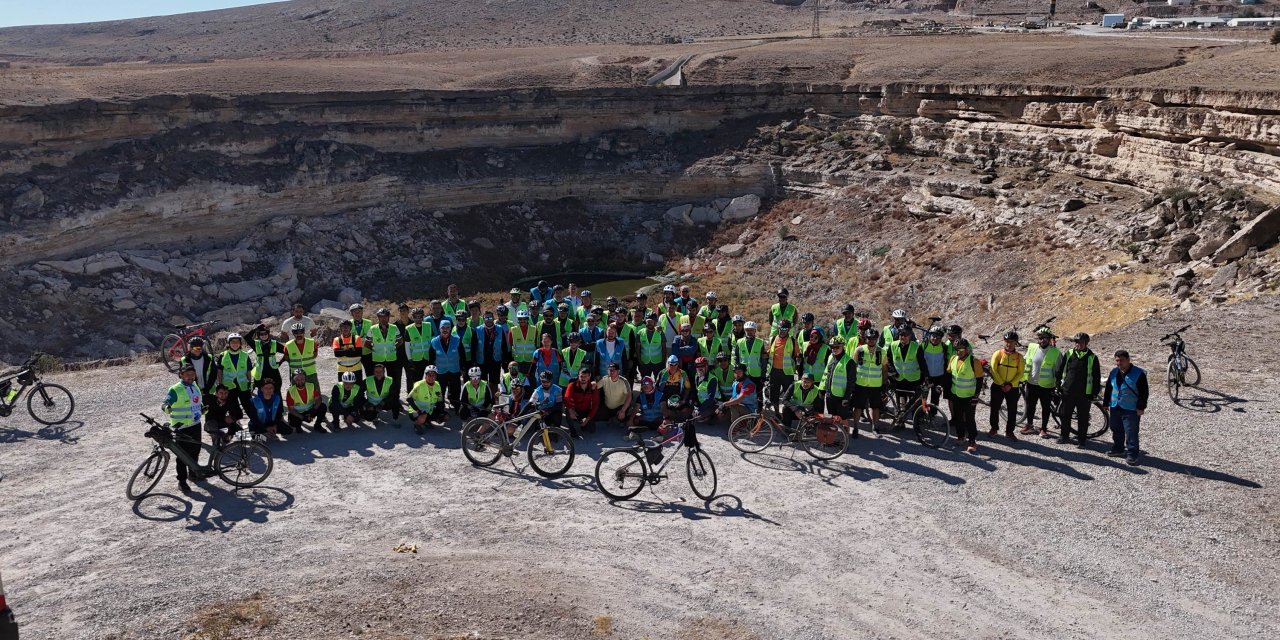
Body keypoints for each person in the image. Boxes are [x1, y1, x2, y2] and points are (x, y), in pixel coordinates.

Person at [162, 364, 205, 493]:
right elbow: (166, 402)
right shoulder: (175, 389)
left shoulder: (195, 385)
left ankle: (193, 473)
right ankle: (182, 481)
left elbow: (196, 403)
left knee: (195, 451)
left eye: (192, 375)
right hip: (181, 427)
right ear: (181, 375)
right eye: (187, 375)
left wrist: (202, 409)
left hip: (195, 424)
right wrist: (166, 407)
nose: (190, 377)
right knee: (182, 456)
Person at [1054, 332, 1101, 447]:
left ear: (1086, 343)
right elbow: (1061, 369)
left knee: (1083, 418)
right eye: (1076, 342)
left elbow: (1096, 376)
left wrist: (1094, 393)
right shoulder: (1069, 353)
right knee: (1065, 415)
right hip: (1068, 390)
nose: (1078, 344)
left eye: (1081, 342)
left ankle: (1082, 440)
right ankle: (1064, 436)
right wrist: (1058, 383)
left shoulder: (1092, 357)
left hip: (1084, 393)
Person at [1103, 350, 1148, 465]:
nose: (1119, 363)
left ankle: (1132, 454)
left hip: (1131, 408)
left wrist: (1141, 407)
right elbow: (1109, 388)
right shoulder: (1114, 372)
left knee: (1131, 432)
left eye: (1122, 360)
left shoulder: (1139, 373)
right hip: (1115, 406)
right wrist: (1106, 403)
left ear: (1128, 360)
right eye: (1117, 360)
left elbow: (1144, 392)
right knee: (1115, 428)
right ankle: (1118, 449)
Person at [1021, 327, 1061, 438]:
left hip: (1047, 386)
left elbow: (1059, 371)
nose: (1043, 340)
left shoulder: (1055, 353)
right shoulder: (1032, 347)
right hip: (1031, 383)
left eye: (1045, 338)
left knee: (1045, 408)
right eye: (1040, 337)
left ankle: (1043, 429)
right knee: (1030, 406)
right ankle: (1029, 425)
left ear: (1049, 339)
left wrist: (1058, 386)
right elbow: (1025, 361)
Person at [887, 326, 928, 431]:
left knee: (915, 403)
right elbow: (889, 359)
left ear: (910, 335)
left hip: (913, 380)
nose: (903, 337)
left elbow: (922, 363)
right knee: (901, 403)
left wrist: (926, 378)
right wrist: (893, 371)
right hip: (899, 379)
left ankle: (916, 423)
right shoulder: (893, 345)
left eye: (906, 335)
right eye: (901, 334)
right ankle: (900, 422)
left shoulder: (916, 347)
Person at [988, 331, 1025, 440]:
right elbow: (993, 369)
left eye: (1012, 342)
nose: (1009, 344)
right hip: (998, 385)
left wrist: (1010, 384)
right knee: (994, 408)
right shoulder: (998, 354)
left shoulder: (1019, 357)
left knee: (1012, 410)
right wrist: (1002, 383)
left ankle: (1010, 431)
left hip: (1012, 387)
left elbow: (1020, 373)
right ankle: (994, 428)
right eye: (1007, 341)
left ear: (1016, 343)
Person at [947, 339, 983, 453]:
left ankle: (972, 441)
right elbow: (949, 374)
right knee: (958, 417)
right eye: (956, 349)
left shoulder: (974, 361)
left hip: (969, 396)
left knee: (969, 419)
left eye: (961, 349)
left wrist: (976, 396)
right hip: (956, 394)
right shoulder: (953, 358)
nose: (959, 351)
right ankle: (960, 436)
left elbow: (979, 380)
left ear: (967, 349)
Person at [851, 327, 887, 433]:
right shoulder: (859, 350)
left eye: (873, 338)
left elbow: (884, 369)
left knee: (875, 407)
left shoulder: (882, 352)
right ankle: (855, 428)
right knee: (858, 407)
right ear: (865, 338)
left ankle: (875, 427)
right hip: (860, 384)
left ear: (877, 339)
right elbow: (853, 367)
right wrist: (852, 383)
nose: (871, 340)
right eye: (869, 338)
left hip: (875, 385)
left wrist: (884, 384)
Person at [216, 332, 255, 418]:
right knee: (233, 408)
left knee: (249, 406)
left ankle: (254, 423)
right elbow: (219, 370)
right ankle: (235, 423)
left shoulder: (245, 355)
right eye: (232, 342)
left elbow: (248, 371)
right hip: (229, 386)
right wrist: (220, 383)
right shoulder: (223, 355)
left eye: (237, 342)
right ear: (229, 343)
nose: (235, 344)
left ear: (240, 343)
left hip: (243, 385)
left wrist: (250, 382)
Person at [766, 319, 801, 414]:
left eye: (785, 329)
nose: (782, 331)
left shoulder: (793, 341)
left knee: (787, 397)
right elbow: (768, 353)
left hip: (787, 373)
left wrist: (798, 369)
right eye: (781, 328)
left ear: (788, 330)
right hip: (774, 372)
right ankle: (776, 414)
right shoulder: (773, 339)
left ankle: (786, 415)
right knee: (773, 396)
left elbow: (798, 357)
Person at [429, 320, 464, 410]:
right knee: (440, 389)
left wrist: (462, 368)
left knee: (455, 388)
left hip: (454, 369)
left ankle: (454, 404)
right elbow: (431, 358)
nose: (445, 330)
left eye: (447, 327)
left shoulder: (457, 339)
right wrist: (432, 371)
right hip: (440, 370)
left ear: (450, 328)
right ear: (439, 329)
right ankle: (440, 405)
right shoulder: (434, 341)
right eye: (443, 328)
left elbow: (462, 354)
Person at [368, 308, 403, 395]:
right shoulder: (372, 328)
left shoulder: (394, 328)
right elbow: (367, 343)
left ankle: (394, 397)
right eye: (381, 317)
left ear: (388, 317)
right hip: (377, 359)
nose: (383, 319)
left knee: (393, 379)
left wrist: (394, 347)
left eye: (385, 317)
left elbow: (400, 341)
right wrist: (374, 349)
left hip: (391, 358)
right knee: (378, 379)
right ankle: (378, 396)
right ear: (378, 317)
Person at [474, 310, 509, 390]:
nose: (488, 320)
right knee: (483, 383)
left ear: (493, 318)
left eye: (490, 318)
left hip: (495, 360)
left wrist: (505, 360)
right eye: (486, 318)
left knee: (494, 383)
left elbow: (504, 345)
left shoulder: (499, 329)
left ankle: (493, 397)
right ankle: (485, 397)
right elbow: (474, 347)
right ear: (483, 319)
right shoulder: (478, 330)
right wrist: (474, 362)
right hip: (482, 361)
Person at [733, 320, 767, 406]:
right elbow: (736, 358)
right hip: (744, 374)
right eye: (747, 330)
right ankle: (746, 411)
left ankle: (759, 411)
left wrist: (763, 375)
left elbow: (763, 360)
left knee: (758, 394)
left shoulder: (760, 342)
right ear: (744, 331)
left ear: (755, 331)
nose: (749, 332)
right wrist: (737, 372)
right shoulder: (739, 342)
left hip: (756, 374)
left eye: (751, 330)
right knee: (743, 394)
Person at [179, 336, 218, 405]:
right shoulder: (184, 360)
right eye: (196, 348)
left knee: (211, 409)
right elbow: (182, 377)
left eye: (200, 348)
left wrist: (207, 389)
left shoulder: (209, 358)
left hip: (209, 390)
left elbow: (213, 374)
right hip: (193, 391)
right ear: (190, 348)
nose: (198, 350)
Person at [407, 366, 447, 434]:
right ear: (425, 375)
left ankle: (426, 421)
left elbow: (440, 400)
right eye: (429, 375)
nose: (431, 377)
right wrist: (417, 410)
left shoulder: (437, 385)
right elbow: (409, 398)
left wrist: (441, 412)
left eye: (433, 375)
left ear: (436, 376)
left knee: (446, 417)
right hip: (415, 411)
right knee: (423, 416)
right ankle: (417, 425)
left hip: (429, 410)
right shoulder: (419, 385)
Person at [402, 308, 433, 390]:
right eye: (416, 317)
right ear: (413, 317)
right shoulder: (408, 328)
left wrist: (433, 356)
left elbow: (433, 341)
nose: (418, 319)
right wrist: (409, 359)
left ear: (423, 317)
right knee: (416, 380)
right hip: (416, 359)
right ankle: (415, 395)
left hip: (427, 358)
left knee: (430, 379)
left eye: (420, 316)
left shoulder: (428, 325)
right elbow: (407, 346)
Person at [563, 368, 599, 438]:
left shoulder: (593, 387)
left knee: (591, 430)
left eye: (585, 376)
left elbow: (595, 404)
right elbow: (566, 398)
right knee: (567, 410)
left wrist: (587, 418)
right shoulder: (572, 385)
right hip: (575, 410)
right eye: (581, 376)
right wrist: (571, 410)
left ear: (589, 377)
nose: (583, 378)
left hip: (586, 411)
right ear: (578, 376)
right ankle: (573, 430)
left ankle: (581, 424)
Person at [283, 322, 320, 389]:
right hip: (296, 375)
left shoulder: (312, 342)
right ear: (293, 333)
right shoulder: (288, 345)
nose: (299, 334)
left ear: (304, 332)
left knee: (314, 392)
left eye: (301, 332)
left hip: (311, 374)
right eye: (296, 332)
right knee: (296, 393)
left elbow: (315, 354)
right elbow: (287, 358)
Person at [597, 362, 633, 429]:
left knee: (622, 418)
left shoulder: (624, 381)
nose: (612, 372)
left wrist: (623, 410)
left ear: (618, 371)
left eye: (614, 370)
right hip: (607, 407)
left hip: (620, 407)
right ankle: (612, 418)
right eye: (610, 370)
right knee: (598, 417)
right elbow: (595, 387)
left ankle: (622, 415)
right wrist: (593, 383)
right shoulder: (605, 379)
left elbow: (629, 396)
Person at [921, 325, 950, 410]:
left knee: (935, 398)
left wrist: (943, 380)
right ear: (930, 336)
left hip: (938, 378)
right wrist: (924, 375)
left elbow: (945, 363)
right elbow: (920, 361)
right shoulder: (923, 346)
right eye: (933, 336)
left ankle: (933, 414)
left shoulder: (944, 347)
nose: (935, 338)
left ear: (941, 338)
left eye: (938, 336)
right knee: (923, 398)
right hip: (926, 377)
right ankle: (921, 413)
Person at [628, 376, 664, 440]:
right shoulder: (640, 396)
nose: (645, 385)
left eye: (647, 383)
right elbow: (636, 409)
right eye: (643, 383)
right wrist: (631, 419)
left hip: (657, 421)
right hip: (645, 421)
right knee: (632, 419)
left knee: (666, 423)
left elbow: (665, 409)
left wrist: (666, 419)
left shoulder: (660, 395)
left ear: (652, 384)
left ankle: (659, 436)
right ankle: (633, 434)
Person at [250, 324, 284, 391]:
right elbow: (247, 337)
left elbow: (286, 351)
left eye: (265, 333)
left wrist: (280, 362)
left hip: (272, 370)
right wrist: (256, 329)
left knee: (277, 387)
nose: (264, 335)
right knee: (261, 388)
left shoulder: (274, 343)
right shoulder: (256, 344)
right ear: (258, 335)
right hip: (260, 371)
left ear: (268, 334)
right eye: (261, 334)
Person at [333, 320, 366, 386]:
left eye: (347, 327)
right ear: (340, 328)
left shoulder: (357, 338)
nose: (345, 329)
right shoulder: (337, 340)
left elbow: (358, 353)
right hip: (342, 369)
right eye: (343, 327)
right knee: (342, 388)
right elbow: (337, 354)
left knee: (358, 388)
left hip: (356, 369)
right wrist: (352, 350)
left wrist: (343, 351)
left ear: (350, 328)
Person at [636, 312, 667, 379]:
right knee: (645, 382)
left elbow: (664, 348)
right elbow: (638, 349)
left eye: (651, 322)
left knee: (658, 381)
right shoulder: (640, 332)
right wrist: (639, 361)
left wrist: (663, 362)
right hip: (645, 362)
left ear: (655, 322)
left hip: (658, 362)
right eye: (647, 322)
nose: (649, 324)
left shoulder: (660, 332)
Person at [509, 309, 538, 378]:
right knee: (519, 380)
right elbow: (510, 344)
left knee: (531, 380)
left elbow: (537, 344)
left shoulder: (534, 329)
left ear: (527, 319)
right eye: (520, 319)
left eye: (524, 319)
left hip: (531, 360)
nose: (522, 321)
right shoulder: (513, 330)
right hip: (518, 360)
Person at [689, 357, 720, 422]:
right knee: (690, 412)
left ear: (706, 366)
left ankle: (712, 415)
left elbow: (710, 399)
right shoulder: (696, 376)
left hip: (713, 403)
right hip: (702, 402)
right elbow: (695, 391)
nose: (700, 368)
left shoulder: (712, 379)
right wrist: (692, 401)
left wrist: (699, 409)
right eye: (698, 366)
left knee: (697, 416)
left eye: (702, 366)